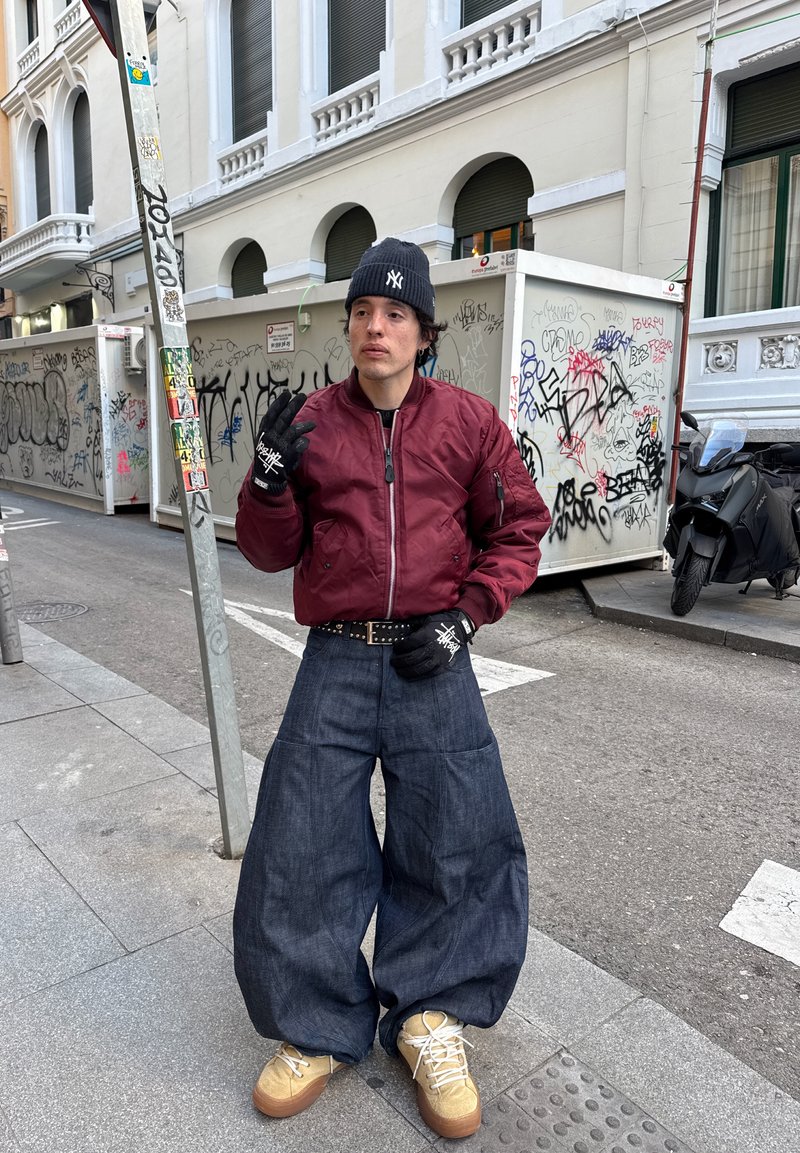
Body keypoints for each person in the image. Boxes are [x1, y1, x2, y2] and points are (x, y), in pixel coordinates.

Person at [233, 237, 551, 1140]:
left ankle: (430, 1017)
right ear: (349, 326)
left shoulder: (468, 424)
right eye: (364, 311)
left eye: (397, 313)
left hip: (432, 653)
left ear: (424, 333)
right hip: (336, 655)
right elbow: (268, 551)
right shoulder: (312, 424)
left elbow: (520, 528)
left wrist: (466, 616)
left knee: (456, 832)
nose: (377, 326)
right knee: (301, 838)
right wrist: (267, 483)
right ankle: (315, 1023)